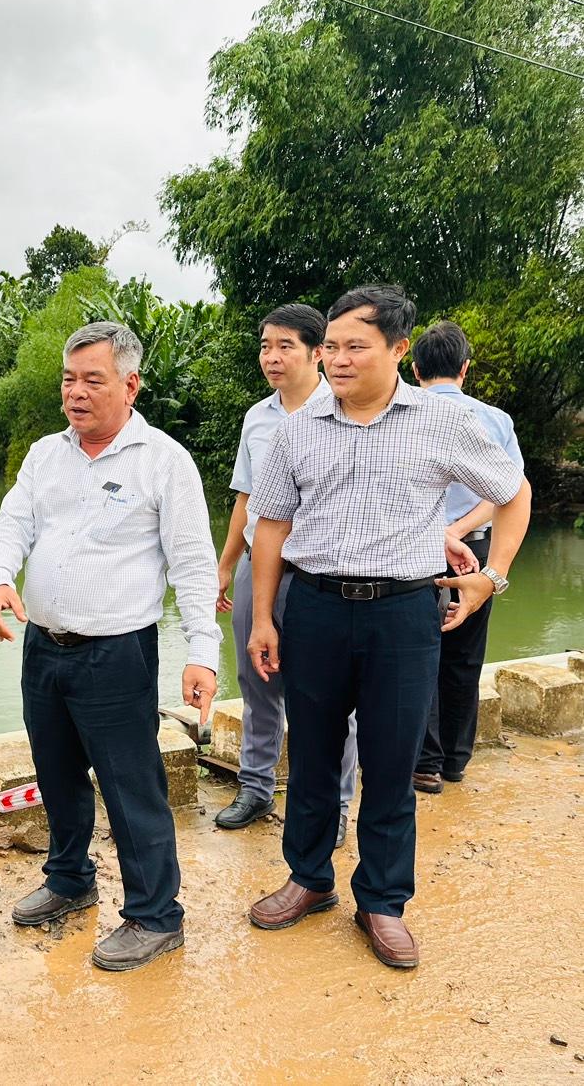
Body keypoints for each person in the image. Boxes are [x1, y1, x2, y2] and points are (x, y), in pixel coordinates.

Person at [245, 285, 530, 969]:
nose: (338, 359)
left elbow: (514, 492)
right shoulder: (298, 428)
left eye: (355, 346)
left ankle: (381, 900)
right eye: (332, 347)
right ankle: (309, 877)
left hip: (403, 614)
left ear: (399, 349)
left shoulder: (440, 422)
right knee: (312, 753)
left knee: (392, 761)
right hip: (314, 606)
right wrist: (262, 618)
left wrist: (491, 577)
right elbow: (272, 525)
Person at [0, 320, 221, 972]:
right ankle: (69, 880)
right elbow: (12, 525)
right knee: (56, 775)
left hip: (117, 653)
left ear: (130, 386)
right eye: (68, 380)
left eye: (93, 380)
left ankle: (156, 915)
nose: (75, 393)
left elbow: (194, 565)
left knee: (131, 786)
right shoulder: (45, 455)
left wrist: (202, 652)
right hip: (43, 647)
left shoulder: (163, 461)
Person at [213, 304, 357, 845]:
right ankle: (255, 787)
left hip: (319, 572)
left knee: (330, 695)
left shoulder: (345, 410)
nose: (271, 357)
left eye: (285, 346)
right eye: (265, 346)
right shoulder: (257, 417)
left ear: (317, 352)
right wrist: (226, 565)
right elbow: (246, 499)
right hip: (258, 566)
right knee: (257, 682)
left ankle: (335, 805)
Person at [409, 321, 523, 794]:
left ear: (415, 369)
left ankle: (425, 763)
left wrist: (441, 531)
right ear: (465, 368)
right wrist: (458, 530)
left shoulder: (404, 414)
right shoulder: (495, 419)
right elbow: (509, 491)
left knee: (418, 656)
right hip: (476, 550)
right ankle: (456, 758)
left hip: (412, 551)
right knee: (465, 656)